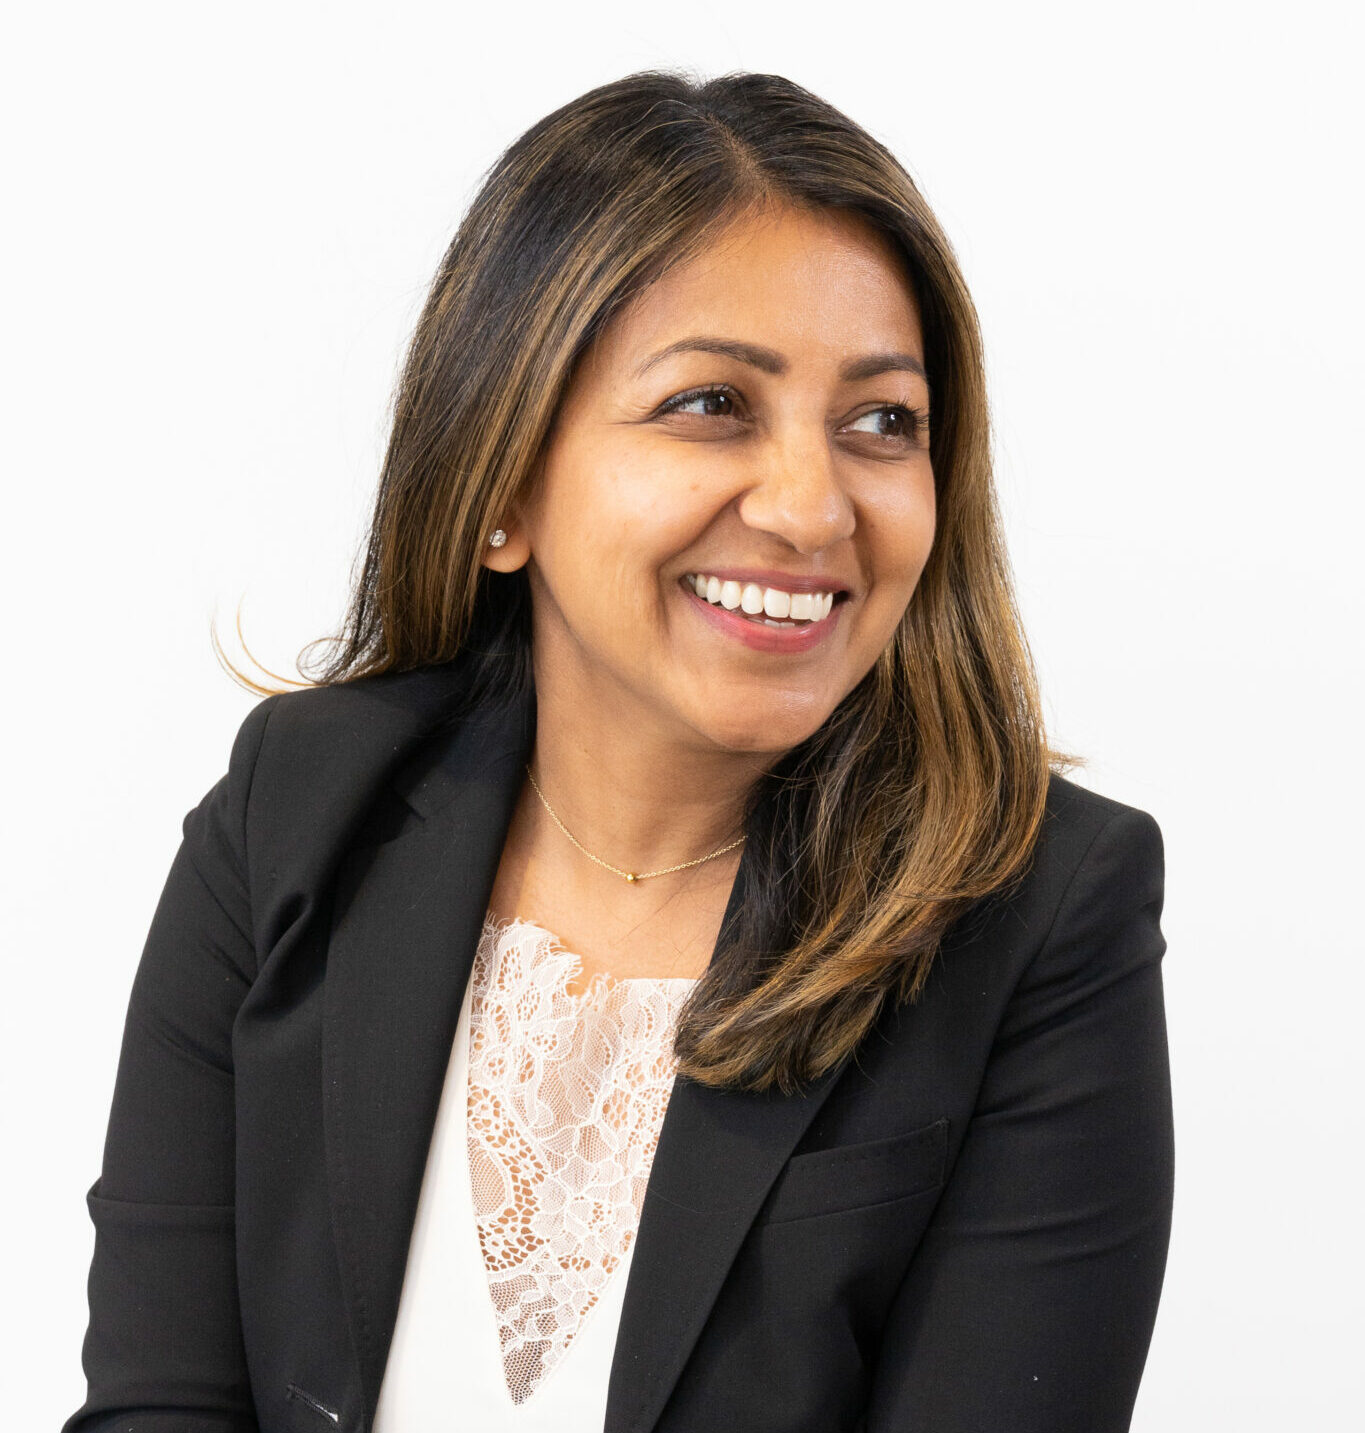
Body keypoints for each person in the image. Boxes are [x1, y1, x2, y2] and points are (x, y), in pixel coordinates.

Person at [62, 69, 1174, 1433]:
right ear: (500, 484)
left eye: (882, 421)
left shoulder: (1039, 913)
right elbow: (160, 1404)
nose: (812, 506)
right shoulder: (293, 812)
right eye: (712, 403)